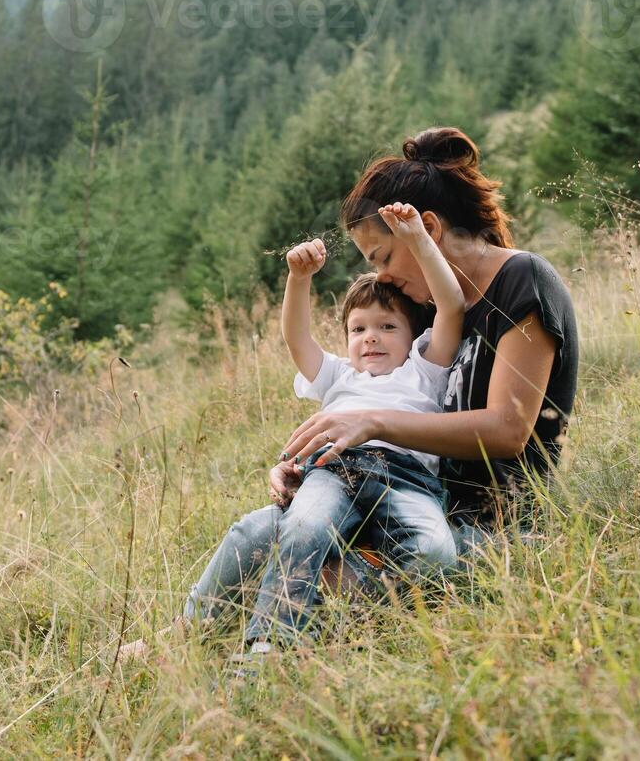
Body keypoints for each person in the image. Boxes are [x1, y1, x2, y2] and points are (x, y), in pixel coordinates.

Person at [181, 201, 466, 654]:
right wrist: (299, 280)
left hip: (406, 479)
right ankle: (270, 645)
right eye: (357, 330)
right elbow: (297, 337)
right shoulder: (338, 375)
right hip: (336, 469)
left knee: (436, 553)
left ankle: (351, 612)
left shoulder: (423, 369)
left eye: (387, 326)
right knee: (305, 527)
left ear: (413, 336)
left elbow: (450, 304)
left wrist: (417, 240)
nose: (370, 337)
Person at [280, 125, 579, 551]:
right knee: (272, 534)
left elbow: (509, 430)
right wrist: (305, 469)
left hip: (490, 532)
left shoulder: (522, 281)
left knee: (327, 576)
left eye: (382, 257)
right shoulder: (427, 310)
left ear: (428, 230)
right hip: (409, 504)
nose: (380, 276)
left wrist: (373, 423)